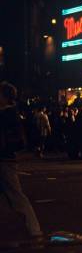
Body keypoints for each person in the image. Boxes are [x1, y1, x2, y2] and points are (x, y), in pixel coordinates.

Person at [0, 82, 42, 237]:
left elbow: (13, 139)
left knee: (17, 196)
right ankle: (32, 229)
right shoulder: (10, 113)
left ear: (4, 96)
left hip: (5, 160)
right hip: (6, 159)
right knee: (15, 195)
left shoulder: (8, 114)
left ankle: (34, 229)